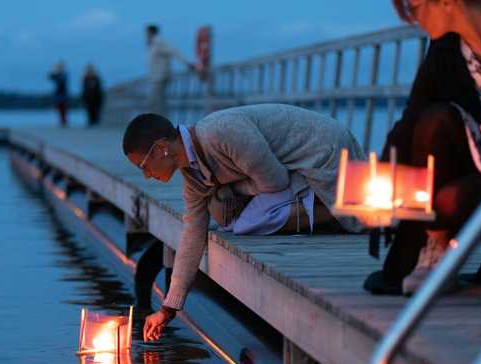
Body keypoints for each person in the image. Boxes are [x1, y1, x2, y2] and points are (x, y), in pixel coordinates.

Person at [122, 104, 364, 341]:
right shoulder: (193, 177)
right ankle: (327, 211)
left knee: (247, 220)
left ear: (162, 148)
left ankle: (337, 215)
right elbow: (192, 233)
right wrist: (169, 308)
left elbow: (275, 182)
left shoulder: (221, 133)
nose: (146, 175)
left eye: (143, 166)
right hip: (294, 167)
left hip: (325, 154)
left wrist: (230, 188)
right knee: (228, 217)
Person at [364, 0, 481, 301]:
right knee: (435, 121)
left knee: (450, 201)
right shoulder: (447, 46)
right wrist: (380, 184)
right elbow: (411, 119)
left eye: (414, 8)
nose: (413, 20)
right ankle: (435, 254)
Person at [145, 24, 194, 117]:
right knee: (156, 102)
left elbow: (174, 51)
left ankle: (160, 123)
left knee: (158, 102)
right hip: (156, 77)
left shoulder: (159, 42)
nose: (146, 34)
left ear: (151, 32)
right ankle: (157, 122)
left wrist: (187, 63)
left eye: (147, 32)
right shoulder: (152, 43)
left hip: (160, 77)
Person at [49, 62, 69, 127]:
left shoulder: (64, 75)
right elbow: (50, 76)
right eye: (59, 67)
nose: (59, 68)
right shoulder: (57, 75)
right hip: (57, 94)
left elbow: (62, 81)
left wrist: (57, 73)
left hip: (63, 94)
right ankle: (62, 121)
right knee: (59, 108)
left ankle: (64, 121)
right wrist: (54, 70)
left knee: (64, 108)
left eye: (60, 67)